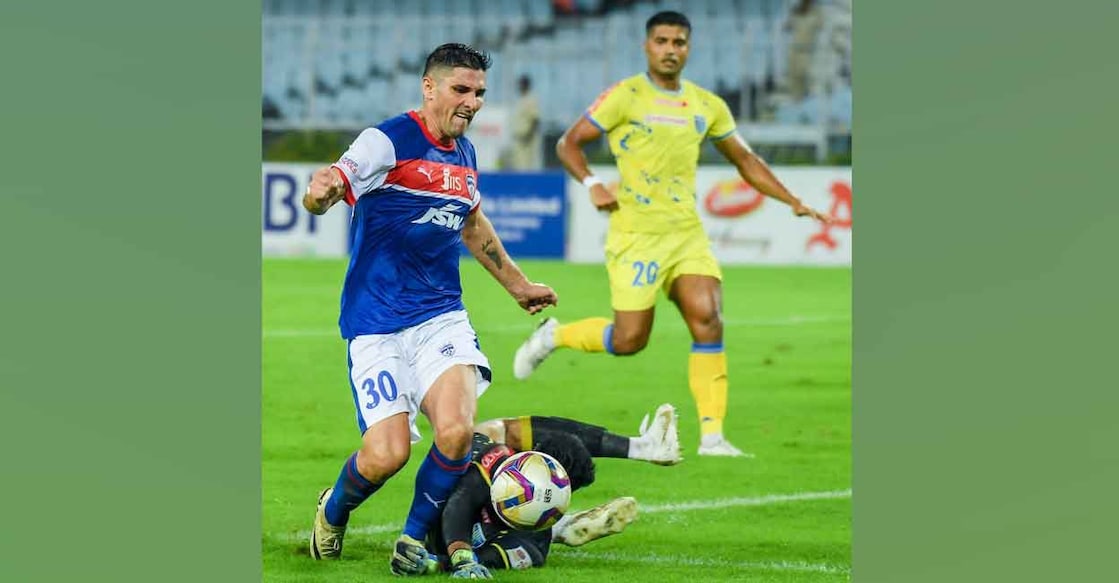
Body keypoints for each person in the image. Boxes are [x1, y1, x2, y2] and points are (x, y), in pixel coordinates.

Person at [513, 11, 832, 458]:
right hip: (635, 236)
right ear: (647, 46)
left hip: (686, 234)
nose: (670, 49)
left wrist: (792, 200)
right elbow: (568, 143)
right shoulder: (625, 96)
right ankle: (554, 336)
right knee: (629, 341)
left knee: (708, 316)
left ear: (688, 48)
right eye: (661, 40)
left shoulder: (706, 104)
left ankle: (713, 436)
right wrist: (592, 183)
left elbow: (745, 159)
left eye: (678, 42)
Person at [302, 43, 559, 575]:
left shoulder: (464, 153)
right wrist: (320, 192)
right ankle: (333, 509)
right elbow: (332, 182)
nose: (472, 102)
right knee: (386, 455)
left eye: (480, 93)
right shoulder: (388, 139)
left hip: (441, 316)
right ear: (429, 87)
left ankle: (413, 539)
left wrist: (517, 285)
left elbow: (470, 222)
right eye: (461, 90)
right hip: (376, 324)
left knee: (457, 430)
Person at [426, 403, 681, 578]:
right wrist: (449, 562)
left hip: (438, 522)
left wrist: (446, 559)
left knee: (489, 432)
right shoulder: (534, 548)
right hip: (486, 533)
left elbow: (462, 500)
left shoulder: (494, 455)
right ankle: (561, 526)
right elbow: (490, 557)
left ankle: (639, 448)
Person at [507, 74, 543, 170]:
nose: (519, 87)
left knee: (526, 166)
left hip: (527, 140)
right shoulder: (520, 100)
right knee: (517, 165)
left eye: (521, 84)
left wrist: (528, 135)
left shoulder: (531, 99)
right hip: (519, 139)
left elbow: (535, 119)